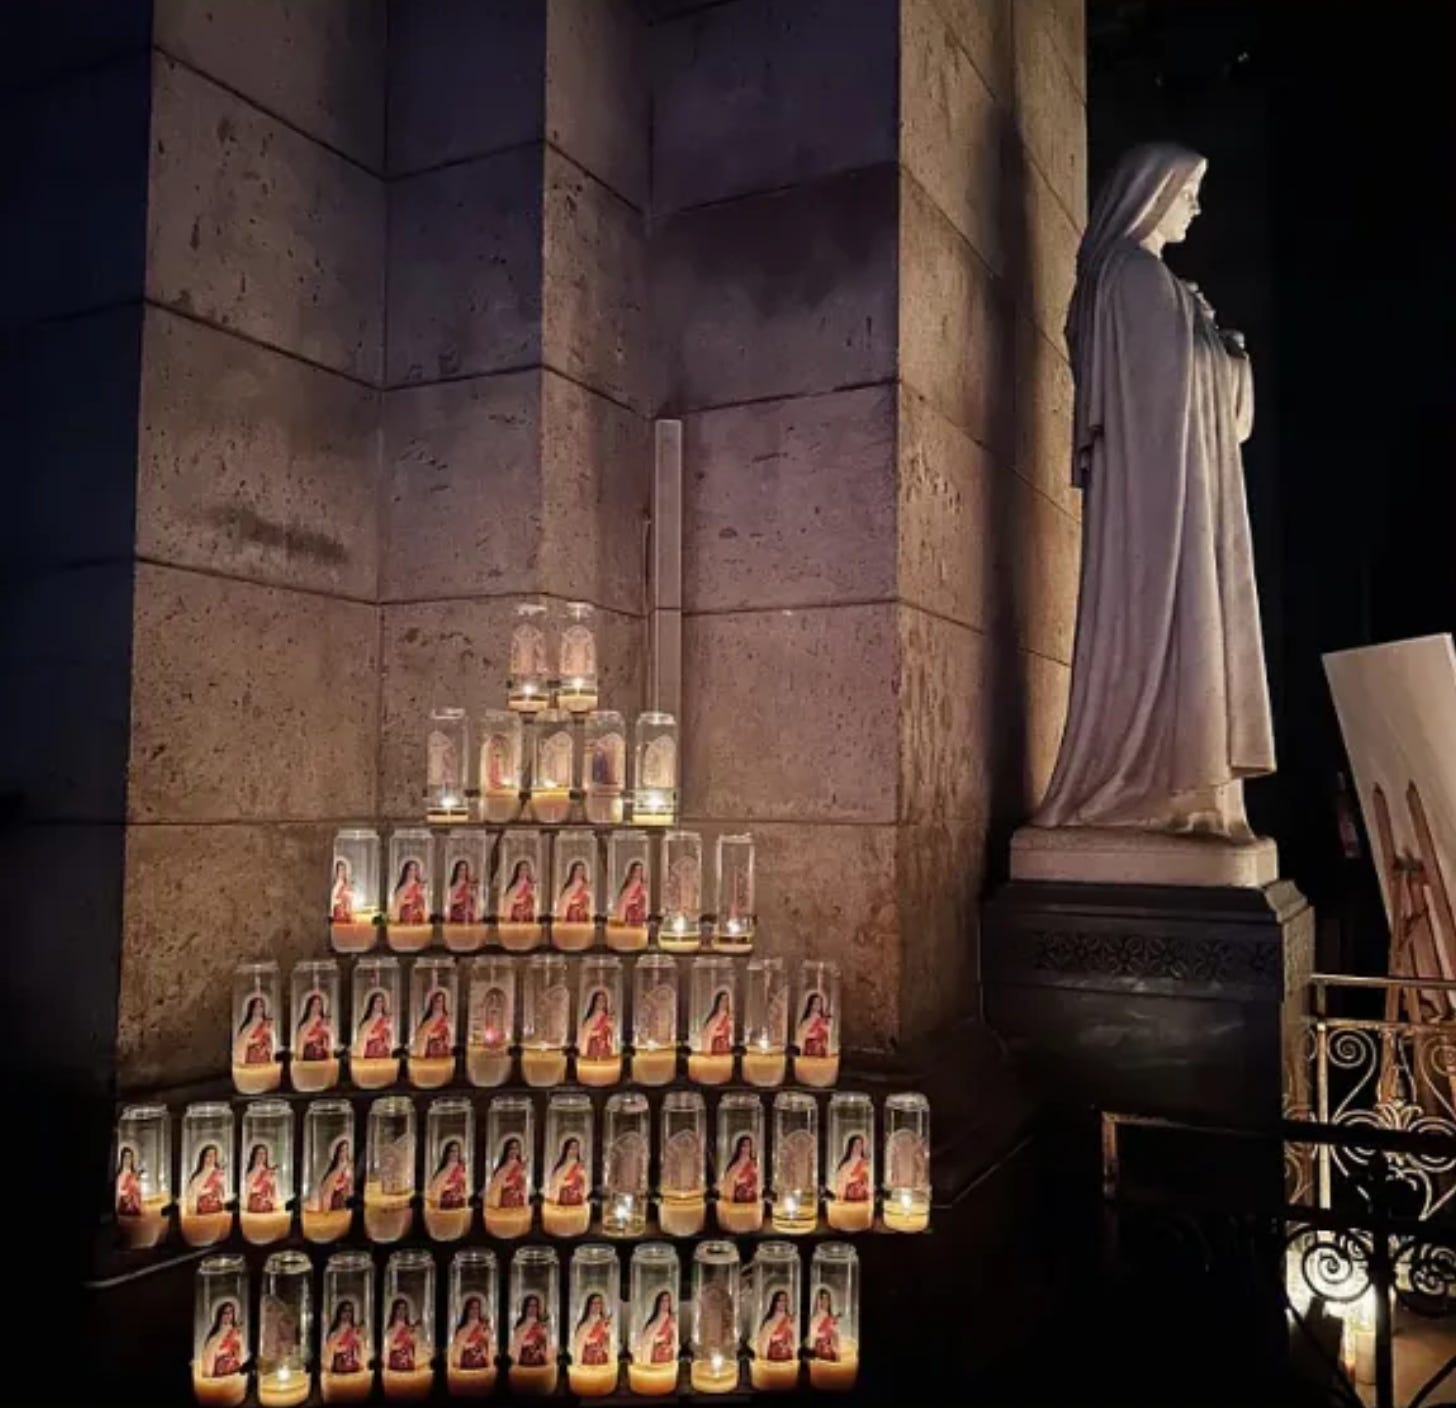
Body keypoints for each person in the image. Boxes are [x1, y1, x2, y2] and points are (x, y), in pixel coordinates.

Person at [1034, 142, 1273, 837]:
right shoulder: (1134, 274)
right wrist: (1222, 348)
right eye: (1187, 194)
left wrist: (1212, 342)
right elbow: (1166, 395)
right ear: (1153, 194)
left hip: (1171, 489)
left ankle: (1178, 785)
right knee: (1172, 623)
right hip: (1161, 498)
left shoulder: (1146, 280)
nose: (1195, 210)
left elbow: (1206, 403)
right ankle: (1157, 786)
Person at [451, 1295, 493, 1371]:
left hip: (482, 1368)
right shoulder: (461, 1330)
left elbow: (489, 1348)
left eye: (477, 1308)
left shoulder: (484, 1327)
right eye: (472, 1308)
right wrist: (464, 1345)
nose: (475, 1311)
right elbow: (456, 1352)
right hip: (463, 1368)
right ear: (467, 1309)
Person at [201, 1301, 243, 1378]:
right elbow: (208, 1357)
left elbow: (239, 1356)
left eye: (231, 1312)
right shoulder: (214, 1337)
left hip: (232, 1373)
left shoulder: (236, 1333)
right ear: (219, 1315)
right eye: (225, 1313)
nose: (228, 1315)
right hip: (216, 1374)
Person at [311, 1138, 352, 1212]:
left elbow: (349, 1183)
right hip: (336, 1199)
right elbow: (326, 1186)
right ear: (337, 1153)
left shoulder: (348, 1166)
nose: (344, 1153)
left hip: (346, 1199)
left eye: (346, 1150)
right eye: (342, 1150)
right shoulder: (336, 1169)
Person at [573, 1293, 613, 1367]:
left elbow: (608, 1345)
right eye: (594, 1303)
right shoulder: (584, 1325)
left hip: (602, 1359)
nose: (597, 1306)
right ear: (589, 1305)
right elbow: (579, 1346)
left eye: (599, 1303)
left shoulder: (605, 1323)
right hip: (588, 1359)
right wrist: (578, 1363)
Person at [486, 1138, 528, 1209]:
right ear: (507, 1150)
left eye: (516, 1148)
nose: (514, 1151)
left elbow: (521, 1185)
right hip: (501, 1200)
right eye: (511, 1148)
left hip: (514, 1201)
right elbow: (496, 1185)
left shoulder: (519, 1166)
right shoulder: (502, 1167)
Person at [636, 1291, 676, 1365]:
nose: (665, 1303)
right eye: (663, 1300)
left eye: (667, 1300)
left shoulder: (671, 1319)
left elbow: (673, 1339)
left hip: (665, 1356)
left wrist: (669, 1347)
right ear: (658, 1303)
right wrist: (654, 1339)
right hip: (654, 1354)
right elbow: (646, 1337)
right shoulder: (654, 1320)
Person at [756, 1289, 796, 1362]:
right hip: (772, 1360)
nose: (782, 1303)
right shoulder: (769, 1323)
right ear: (775, 1302)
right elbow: (761, 1343)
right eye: (780, 1300)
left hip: (787, 1360)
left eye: (785, 1301)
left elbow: (793, 1343)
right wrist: (772, 1338)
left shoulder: (789, 1320)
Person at [510, 1295, 549, 1368]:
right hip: (522, 1363)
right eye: (530, 1305)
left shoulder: (542, 1326)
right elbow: (515, 1346)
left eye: (535, 1306)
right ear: (526, 1307)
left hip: (539, 1364)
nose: (533, 1308)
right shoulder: (520, 1325)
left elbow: (545, 1346)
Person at [325, 1300, 363, 1376]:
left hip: (353, 1368)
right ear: (340, 1312)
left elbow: (360, 1349)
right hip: (337, 1369)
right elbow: (330, 1349)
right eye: (345, 1311)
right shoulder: (334, 1331)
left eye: (350, 1311)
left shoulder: (355, 1330)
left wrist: (360, 1362)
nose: (347, 1314)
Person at [234, 995, 274, 1067]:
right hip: (251, 1057)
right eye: (256, 1006)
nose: (258, 1009)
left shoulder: (266, 1024)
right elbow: (240, 1042)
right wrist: (252, 1041)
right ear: (251, 1009)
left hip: (264, 1057)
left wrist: (267, 1047)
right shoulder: (247, 1026)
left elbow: (270, 1041)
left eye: (261, 1006)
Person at [187, 1144, 227, 1215]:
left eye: (213, 1156)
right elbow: (191, 1191)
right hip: (194, 1208)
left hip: (211, 1208)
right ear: (203, 1157)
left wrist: (203, 1192)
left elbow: (217, 1191)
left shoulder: (218, 1173)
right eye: (208, 1156)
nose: (211, 1158)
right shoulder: (197, 1175)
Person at [546, 1137, 587, 1207]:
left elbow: (585, 1186)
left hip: (576, 1204)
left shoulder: (580, 1167)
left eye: (576, 1148)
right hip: (561, 1203)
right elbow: (553, 1185)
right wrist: (562, 1184)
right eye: (571, 1148)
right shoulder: (560, 1168)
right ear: (566, 1149)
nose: (574, 1151)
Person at [428, 1139, 468, 1210]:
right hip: (440, 1204)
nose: (454, 1154)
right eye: (452, 1151)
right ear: (447, 1153)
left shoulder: (461, 1168)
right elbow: (433, 1187)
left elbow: (463, 1186)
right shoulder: (442, 1169)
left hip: (456, 1205)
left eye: (457, 1151)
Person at [414, 988, 452, 1059]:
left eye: (441, 1001)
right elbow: (419, 1033)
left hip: (440, 1050)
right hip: (429, 1050)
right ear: (432, 1002)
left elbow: (446, 1034)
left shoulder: (445, 1018)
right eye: (437, 1001)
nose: (439, 1004)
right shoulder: (427, 1019)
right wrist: (424, 1035)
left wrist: (434, 1035)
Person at [832, 1135, 870, 1203]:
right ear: (850, 1146)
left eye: (860, 1144)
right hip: (848, 1199)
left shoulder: (866, 1163)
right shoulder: (845, 1165)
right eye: (855, 1144)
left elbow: (869, 1182)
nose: (858, 1147)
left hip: (864, 1200)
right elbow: (841, 1183)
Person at [295, 992, 332, 1062]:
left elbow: (329, 1044)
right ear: (309, 1007)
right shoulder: (304, 1025)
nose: (317, 1007)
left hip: (323, 1060)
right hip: (307, 1061)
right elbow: (301, 1042)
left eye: (319, 1005)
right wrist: (312, 1024)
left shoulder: (324, 1024)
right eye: (314, 1005)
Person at [356, 990, 393, 1059]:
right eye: (377, 1001)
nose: (379, 1004)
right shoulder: (366, 1023)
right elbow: (361, 1040)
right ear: (372, 1004)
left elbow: (388, 1038)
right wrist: (369, 1037)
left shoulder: (386, 1020)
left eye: (381, 1001)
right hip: (369, 1055)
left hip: (382, 1055)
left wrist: (381, 1035)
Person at [579, 990, 614, 1059]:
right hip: (593, 1048)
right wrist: (594, 1033)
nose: (601, 1002)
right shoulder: (589, 1020)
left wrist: (609, 1029)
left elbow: (612, 1038)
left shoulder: (609, 1019)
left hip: (605, 1049)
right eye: (599, 1000)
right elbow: (585, 1037)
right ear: (594, 1002)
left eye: (603, 1000)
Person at [244, 1143, 278, 1214]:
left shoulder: (270, 1172)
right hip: (254, 1204)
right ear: (254, 1155)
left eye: (264, 1154)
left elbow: (274, 1191)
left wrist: (272, 1201)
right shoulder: (250, 1173)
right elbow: (248, 1190)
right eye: (259, 1153)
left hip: (267, 1205)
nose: (261, 1156)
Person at [724, 1134, 758, 1203]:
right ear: (739, 1147)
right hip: (736, 1202)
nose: (746, 1149)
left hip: (752, 1202)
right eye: (744, 1146)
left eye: (749, 1146)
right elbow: (728, 1184)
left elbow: (757, 1184)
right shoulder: (734, 1165)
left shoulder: (754, 1164)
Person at [391, 859, 427, 925]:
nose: (412, 872)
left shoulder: (420, 887)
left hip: (418, 920)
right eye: (410, 870)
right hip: (404, 920)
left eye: (415, 870)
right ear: (406, 871)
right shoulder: (401, 888)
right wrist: (407, 901)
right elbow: (397, 905)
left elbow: (423, 905)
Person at [386, 1298, 417, 1372]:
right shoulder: (392, 1327)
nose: (401, 1311)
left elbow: (413, 1345)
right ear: (394, 1311)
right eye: (399, 1309)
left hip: (408, 1360)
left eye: (404, 1309)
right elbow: (390, 1345)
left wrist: (411, 1338)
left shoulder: (408, 1327)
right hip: (396, 1360)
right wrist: (400, 1345)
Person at [808, 1289, 840, 1361]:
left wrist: (837, 1352)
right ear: (817, 1301)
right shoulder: (814, 1318)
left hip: (830, 1352)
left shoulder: (832, 1318)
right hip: (817, 1352)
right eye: (821, 1298)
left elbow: (836, 1337)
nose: (823, 1301)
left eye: (826, 1299)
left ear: (829, 1302)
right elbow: (812, 1337)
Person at [557, 860, 593, 924]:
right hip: (572, 913)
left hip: (582, 914)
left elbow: (589, 901)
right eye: (578, 870)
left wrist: (586, 898)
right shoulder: (569, 886)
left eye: (582, 870)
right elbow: (564, 902)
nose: (580, 872)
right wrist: (572, 901)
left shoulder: (586, 886)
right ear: (573, 872)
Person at [614, 861, 648, 926]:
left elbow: (645, 899)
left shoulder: (642, 886)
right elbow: (623, 901)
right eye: (636, 870)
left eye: (640, 871)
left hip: (640, 915)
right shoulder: (629, 886)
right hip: (630, 915)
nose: (638, 873)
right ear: (632, 872)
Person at [796, 992, 830, 1059]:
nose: (817, 1005)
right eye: (815, 1003)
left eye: (819, 1003)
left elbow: (826, 1036)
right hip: (810, 1048)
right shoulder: (807, 1020)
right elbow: (803, 1034)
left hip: (821, 1050)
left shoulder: (823, 1019)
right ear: (810, 1004)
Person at [447, 859, 479, 924]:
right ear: (457, 871)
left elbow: (475, 901)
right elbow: (451, 901)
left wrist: (472, 895)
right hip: (456, 916)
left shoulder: (470, 885)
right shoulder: (453, 886)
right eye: (461, 869)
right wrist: (464, 897)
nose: (463, 872)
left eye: (465, 870)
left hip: (469, 916)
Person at [701, 990, 733, 1056]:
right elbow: (706, 1031)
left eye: (726, 1000)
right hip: (714, 1046)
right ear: (718, 1001)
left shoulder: (729, 1017)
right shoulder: (713, 1016)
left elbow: (726, 1032)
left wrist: (715, 1033)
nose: (724, 1002)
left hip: (723, 1048)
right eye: (722, 1000)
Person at [115, 1146, 142, 1217]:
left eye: (130, 1157)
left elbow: (138, 1190)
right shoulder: (119, 1174)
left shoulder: (134, 1173)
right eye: (126, 1157)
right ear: (122, 1159)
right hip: (123, 1206)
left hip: (135, 1207)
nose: (128, 1160)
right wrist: (127, 1194)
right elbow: (118, 1191)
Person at [330, 859, 353, 923]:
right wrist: (338, 901)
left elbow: (350, 899)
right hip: (337, 911)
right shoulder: (335, 884)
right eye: (340, 870)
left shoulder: (347, 884)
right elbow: (332, 898)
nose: (342, 872)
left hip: (346, 912)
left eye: (343, 870)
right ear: (337, 871)